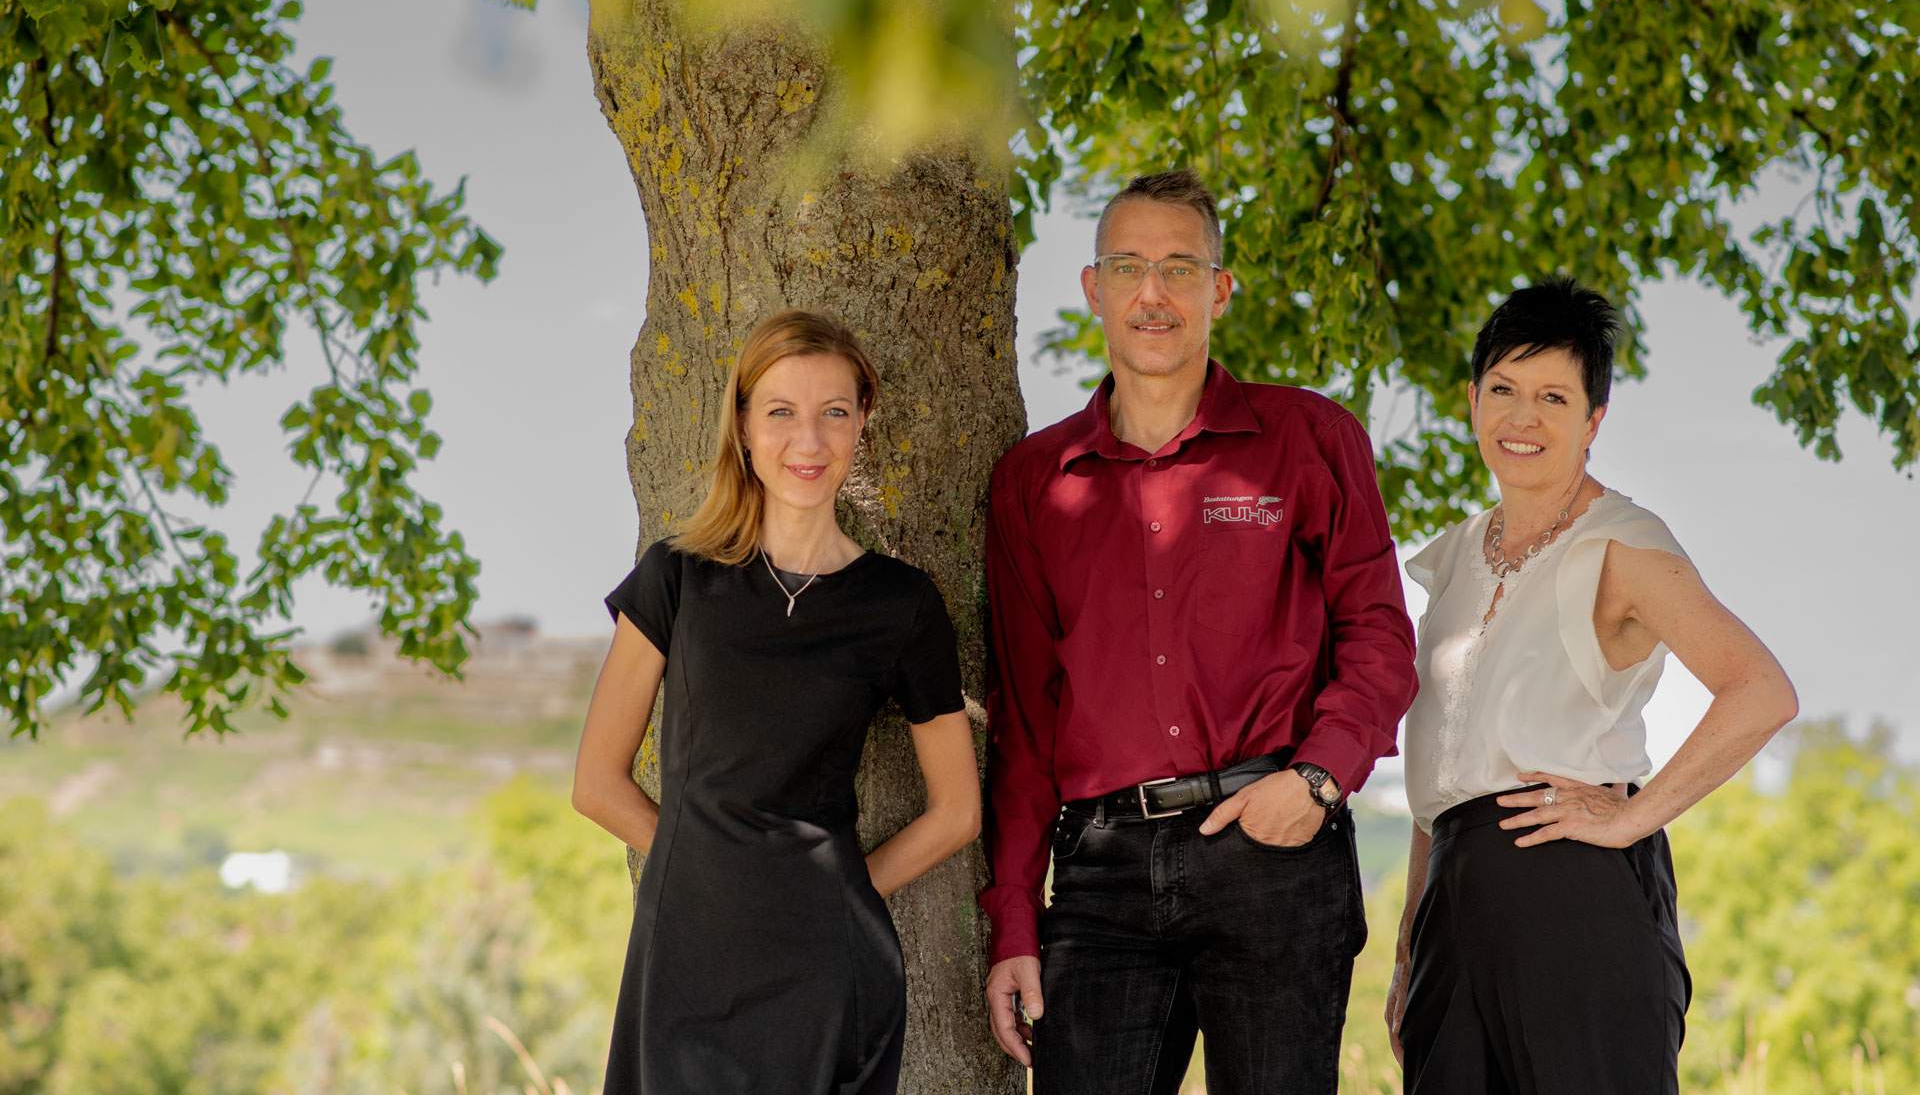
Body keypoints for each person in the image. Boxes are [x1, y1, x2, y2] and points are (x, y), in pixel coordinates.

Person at [980, 169, 1419, 1094]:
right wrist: (1015, 922)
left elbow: (1379, 638)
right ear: (1094, 289)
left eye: (1181, 269)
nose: (1154, 293)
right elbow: (1024, 723)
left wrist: (1316, 781)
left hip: (1275, 855)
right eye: (1130, 267)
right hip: (1099, 874)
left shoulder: (1309, 440)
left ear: (1219, 291)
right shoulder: (1033, 482)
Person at [1384, 277, 1800, 1094]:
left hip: (1570, 894)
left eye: (1552, 397)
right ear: (1472, 401)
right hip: (1451, 910)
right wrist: (1410, 945)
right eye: (1502, 390)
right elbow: (1442, 779)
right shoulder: (1456, 557)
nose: (1522, 418)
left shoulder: (1623, 544)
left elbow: (1761, 691)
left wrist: (1631, 816)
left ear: (1592, 421)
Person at [571, 310, 980, 1095]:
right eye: (782, 412)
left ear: (863, 422)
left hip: (827, 974)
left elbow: (957, 812)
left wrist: (838, 895)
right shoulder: (677, 578)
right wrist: (713, 877)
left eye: (834, 413)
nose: (810, 441)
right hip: (686, 959)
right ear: (745, 426)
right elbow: (597, 783)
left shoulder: (902, 604)